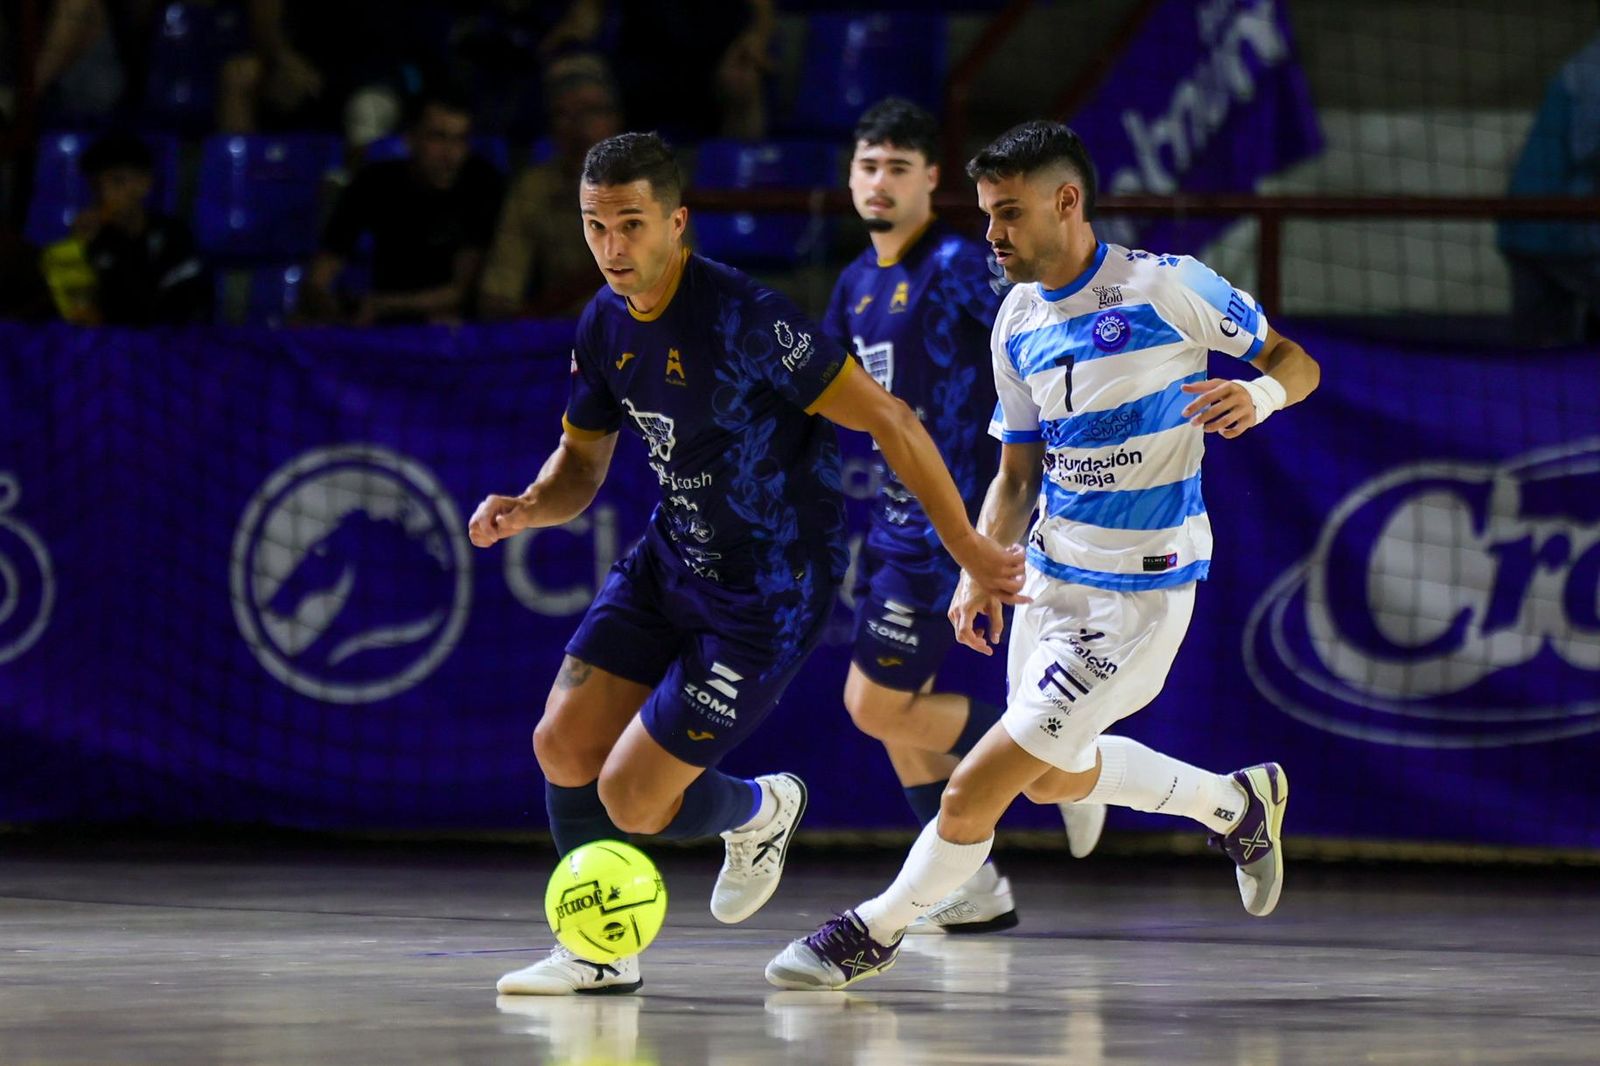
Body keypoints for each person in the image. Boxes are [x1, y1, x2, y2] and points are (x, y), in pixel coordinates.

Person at [766, 120, 1322, 991]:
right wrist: (979, 566)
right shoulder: (1017, 317)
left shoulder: (1168, 286)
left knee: (974, 789)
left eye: (1009, 213)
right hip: (1049, 580)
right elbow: (1017, 473)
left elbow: (1295, 360)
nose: (992, 233)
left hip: (1137, 598)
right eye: (987, 213)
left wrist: (1260, 395)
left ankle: (869, 933)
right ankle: (1236, 804)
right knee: (1055, 784)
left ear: (1067, 202)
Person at [468, 131, 1025, 996]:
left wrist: (973, 551)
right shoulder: (603, 322)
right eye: (595, 226)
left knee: (632, 800)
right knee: (561, 744)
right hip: (671, 556)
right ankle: (595, 952)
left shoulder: (746, 317)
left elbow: (893, 420)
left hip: (770, 590)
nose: (612, 246)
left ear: (676, 222)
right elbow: (580, 462)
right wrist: (530, 504)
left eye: (630, 223)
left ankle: (763, 809)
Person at [823, 98, 1105, 937]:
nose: (879, 182)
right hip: (893, 522)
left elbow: (1046, 325)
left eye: (898, 167)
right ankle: (972, 884)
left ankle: (1062, 756)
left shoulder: (956, 266)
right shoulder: (854, 284)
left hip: (959, 519)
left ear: (931, 179)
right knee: (892, 712)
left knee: (876, 706)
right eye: (868, 166)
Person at [303, 85, 505, 325]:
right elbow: (319, 276)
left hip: (454, 331)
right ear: (410, 139)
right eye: (438, 137)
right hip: (385, 329)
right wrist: (330, 309)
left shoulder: (482, 183)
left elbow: (460, 293)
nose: (451, 155)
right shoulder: (375, 182)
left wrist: (383, 305)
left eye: (460, 139)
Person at [480, 55, 624, 320]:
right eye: (564, 114)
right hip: (566, 333)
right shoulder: (533, 189)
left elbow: (678, 292)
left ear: (615, 120)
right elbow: (500, 293)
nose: (580, 128)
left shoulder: (652, 185)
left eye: (591, 111)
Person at [1497, 32, 1600, 346]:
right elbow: (1589, 149)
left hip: (1531, 225)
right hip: (1559, 230)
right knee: (1541, 349)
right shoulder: (1592, 68)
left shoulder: (1586, 62)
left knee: (1541, 349)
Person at [44, 130, 208, 325]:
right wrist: (78, 249)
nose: (106, 194)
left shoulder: (175, 236)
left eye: (117, 182)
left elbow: (181, 308)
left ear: (144, 183)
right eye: (97, 186)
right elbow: (78, 313)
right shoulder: (91, 241)